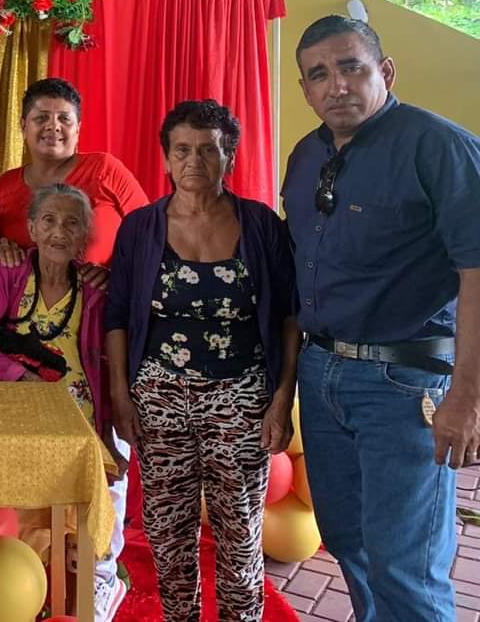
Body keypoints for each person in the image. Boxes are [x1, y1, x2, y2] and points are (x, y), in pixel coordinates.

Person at [282, 15, 480, 622]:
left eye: (351, 67)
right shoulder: (306, 155)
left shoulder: (438, 147)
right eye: (319, 75)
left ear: (385, 71)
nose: (337, 85)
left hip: (405, 385)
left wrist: (467, 398)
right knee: (349, 541)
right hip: (322, 376)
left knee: (406, 568)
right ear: (305, 90)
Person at [106, 99, 298, 621]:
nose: (195, 161)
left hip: (241, 397)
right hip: (159, 398)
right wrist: (121, 395)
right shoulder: (140, 228)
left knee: (240, 534)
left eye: (209, 150)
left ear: (228, 156)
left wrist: (282, 398)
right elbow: (117, 315)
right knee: (168, 532)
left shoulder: (260, 225)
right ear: (166, 158)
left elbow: (288, 316)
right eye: (182, 150)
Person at [0, 183, 129, 620]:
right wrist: (21, 377)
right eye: (49, 220)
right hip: (17, 421)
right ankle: (22, 597)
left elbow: (109, 364)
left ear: (84, 235)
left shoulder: (94, 290)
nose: (59, 231)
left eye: (72, 223)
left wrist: (108, 434)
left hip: (78, 423)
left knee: (79, 521)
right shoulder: (12, 276)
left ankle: (84, 593)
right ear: (32, 228)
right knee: (21, 518)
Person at [0, 77, 149, 267]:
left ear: (78, 129)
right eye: (41, 118)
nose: (53, 126)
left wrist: (113, 275)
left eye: (64, 119)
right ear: (24, 126)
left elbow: (151, 235)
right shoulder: (6, 185)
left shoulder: (104, 170)